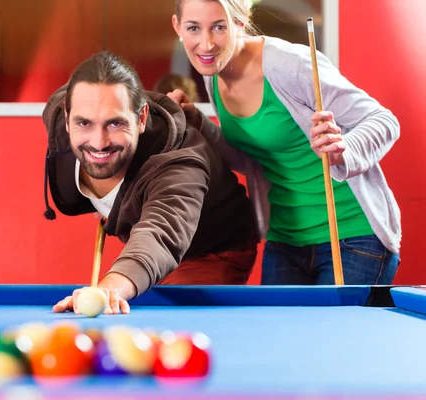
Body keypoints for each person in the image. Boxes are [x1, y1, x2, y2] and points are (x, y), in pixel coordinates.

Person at [167, 0, 401, 285]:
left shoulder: (289, 63)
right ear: (178, 27)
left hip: (352, 236)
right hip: (285, 239)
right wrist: (197, 122)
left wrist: (345, 150)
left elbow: (384, 120)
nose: (206, 44)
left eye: (219, 27)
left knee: (333, 332)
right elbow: (247, 158)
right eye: (194, 28)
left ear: (240, 23)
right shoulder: (213, 75)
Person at [41, 51, 257, 314]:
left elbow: (160, 234)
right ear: (66, 114)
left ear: (141, 118)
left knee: (168, 336)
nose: (98, 141)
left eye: (115, 123)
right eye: (84, 123)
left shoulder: (180, 161)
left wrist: (109, 289)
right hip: (148, 242)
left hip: (209, 250)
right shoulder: (58, 112)